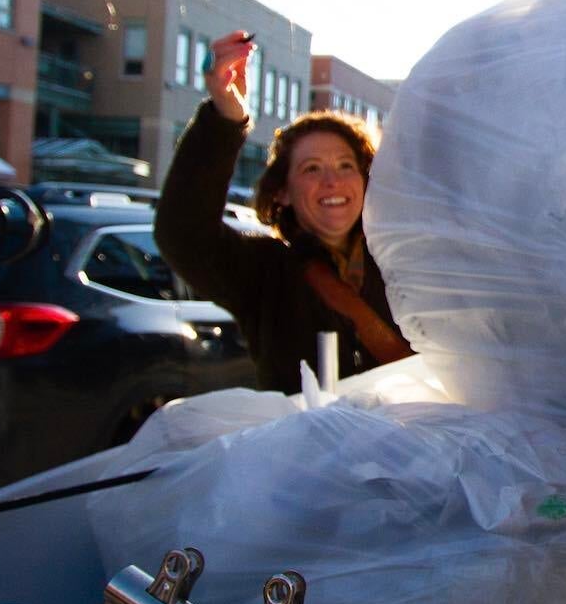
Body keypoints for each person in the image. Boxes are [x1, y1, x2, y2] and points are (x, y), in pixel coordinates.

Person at [156, 29, 410, 392]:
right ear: (283, 193)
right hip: (309, 448)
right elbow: (183, 234)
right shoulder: (264, 271)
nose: (331, 181)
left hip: (408, 444)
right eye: (311, 169)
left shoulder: (405, 259)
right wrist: (225, 116)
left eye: (345, 166)